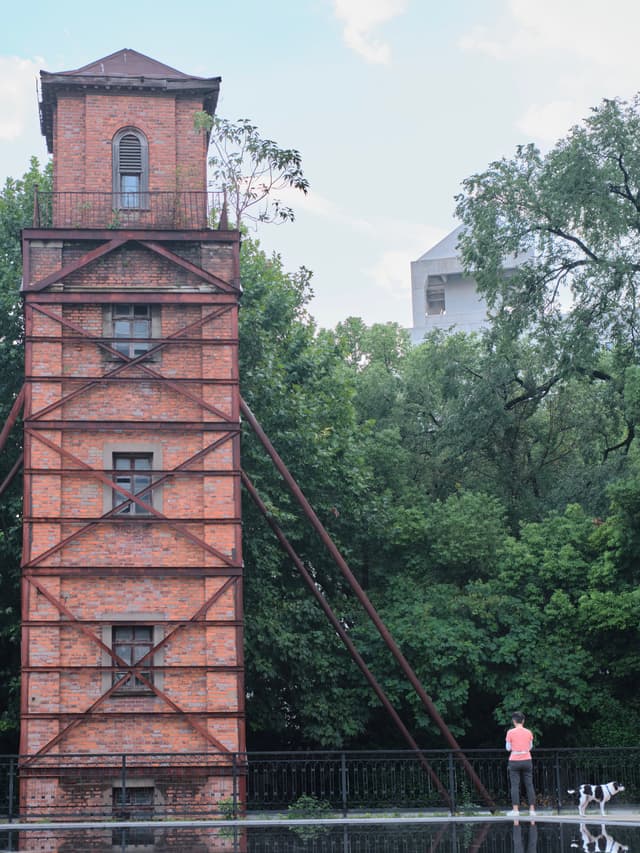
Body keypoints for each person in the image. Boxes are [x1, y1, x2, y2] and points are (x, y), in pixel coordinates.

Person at [505, 711, 536, 817]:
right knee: (529, 784)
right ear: (523, 721)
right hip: (527, 759)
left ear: (514, 721)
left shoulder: (510, 732)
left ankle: (516, 810)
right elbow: (530, 746)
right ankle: (532, 810)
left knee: (514, 785)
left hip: (514, 760)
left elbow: (508, 748)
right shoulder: (528, 732)